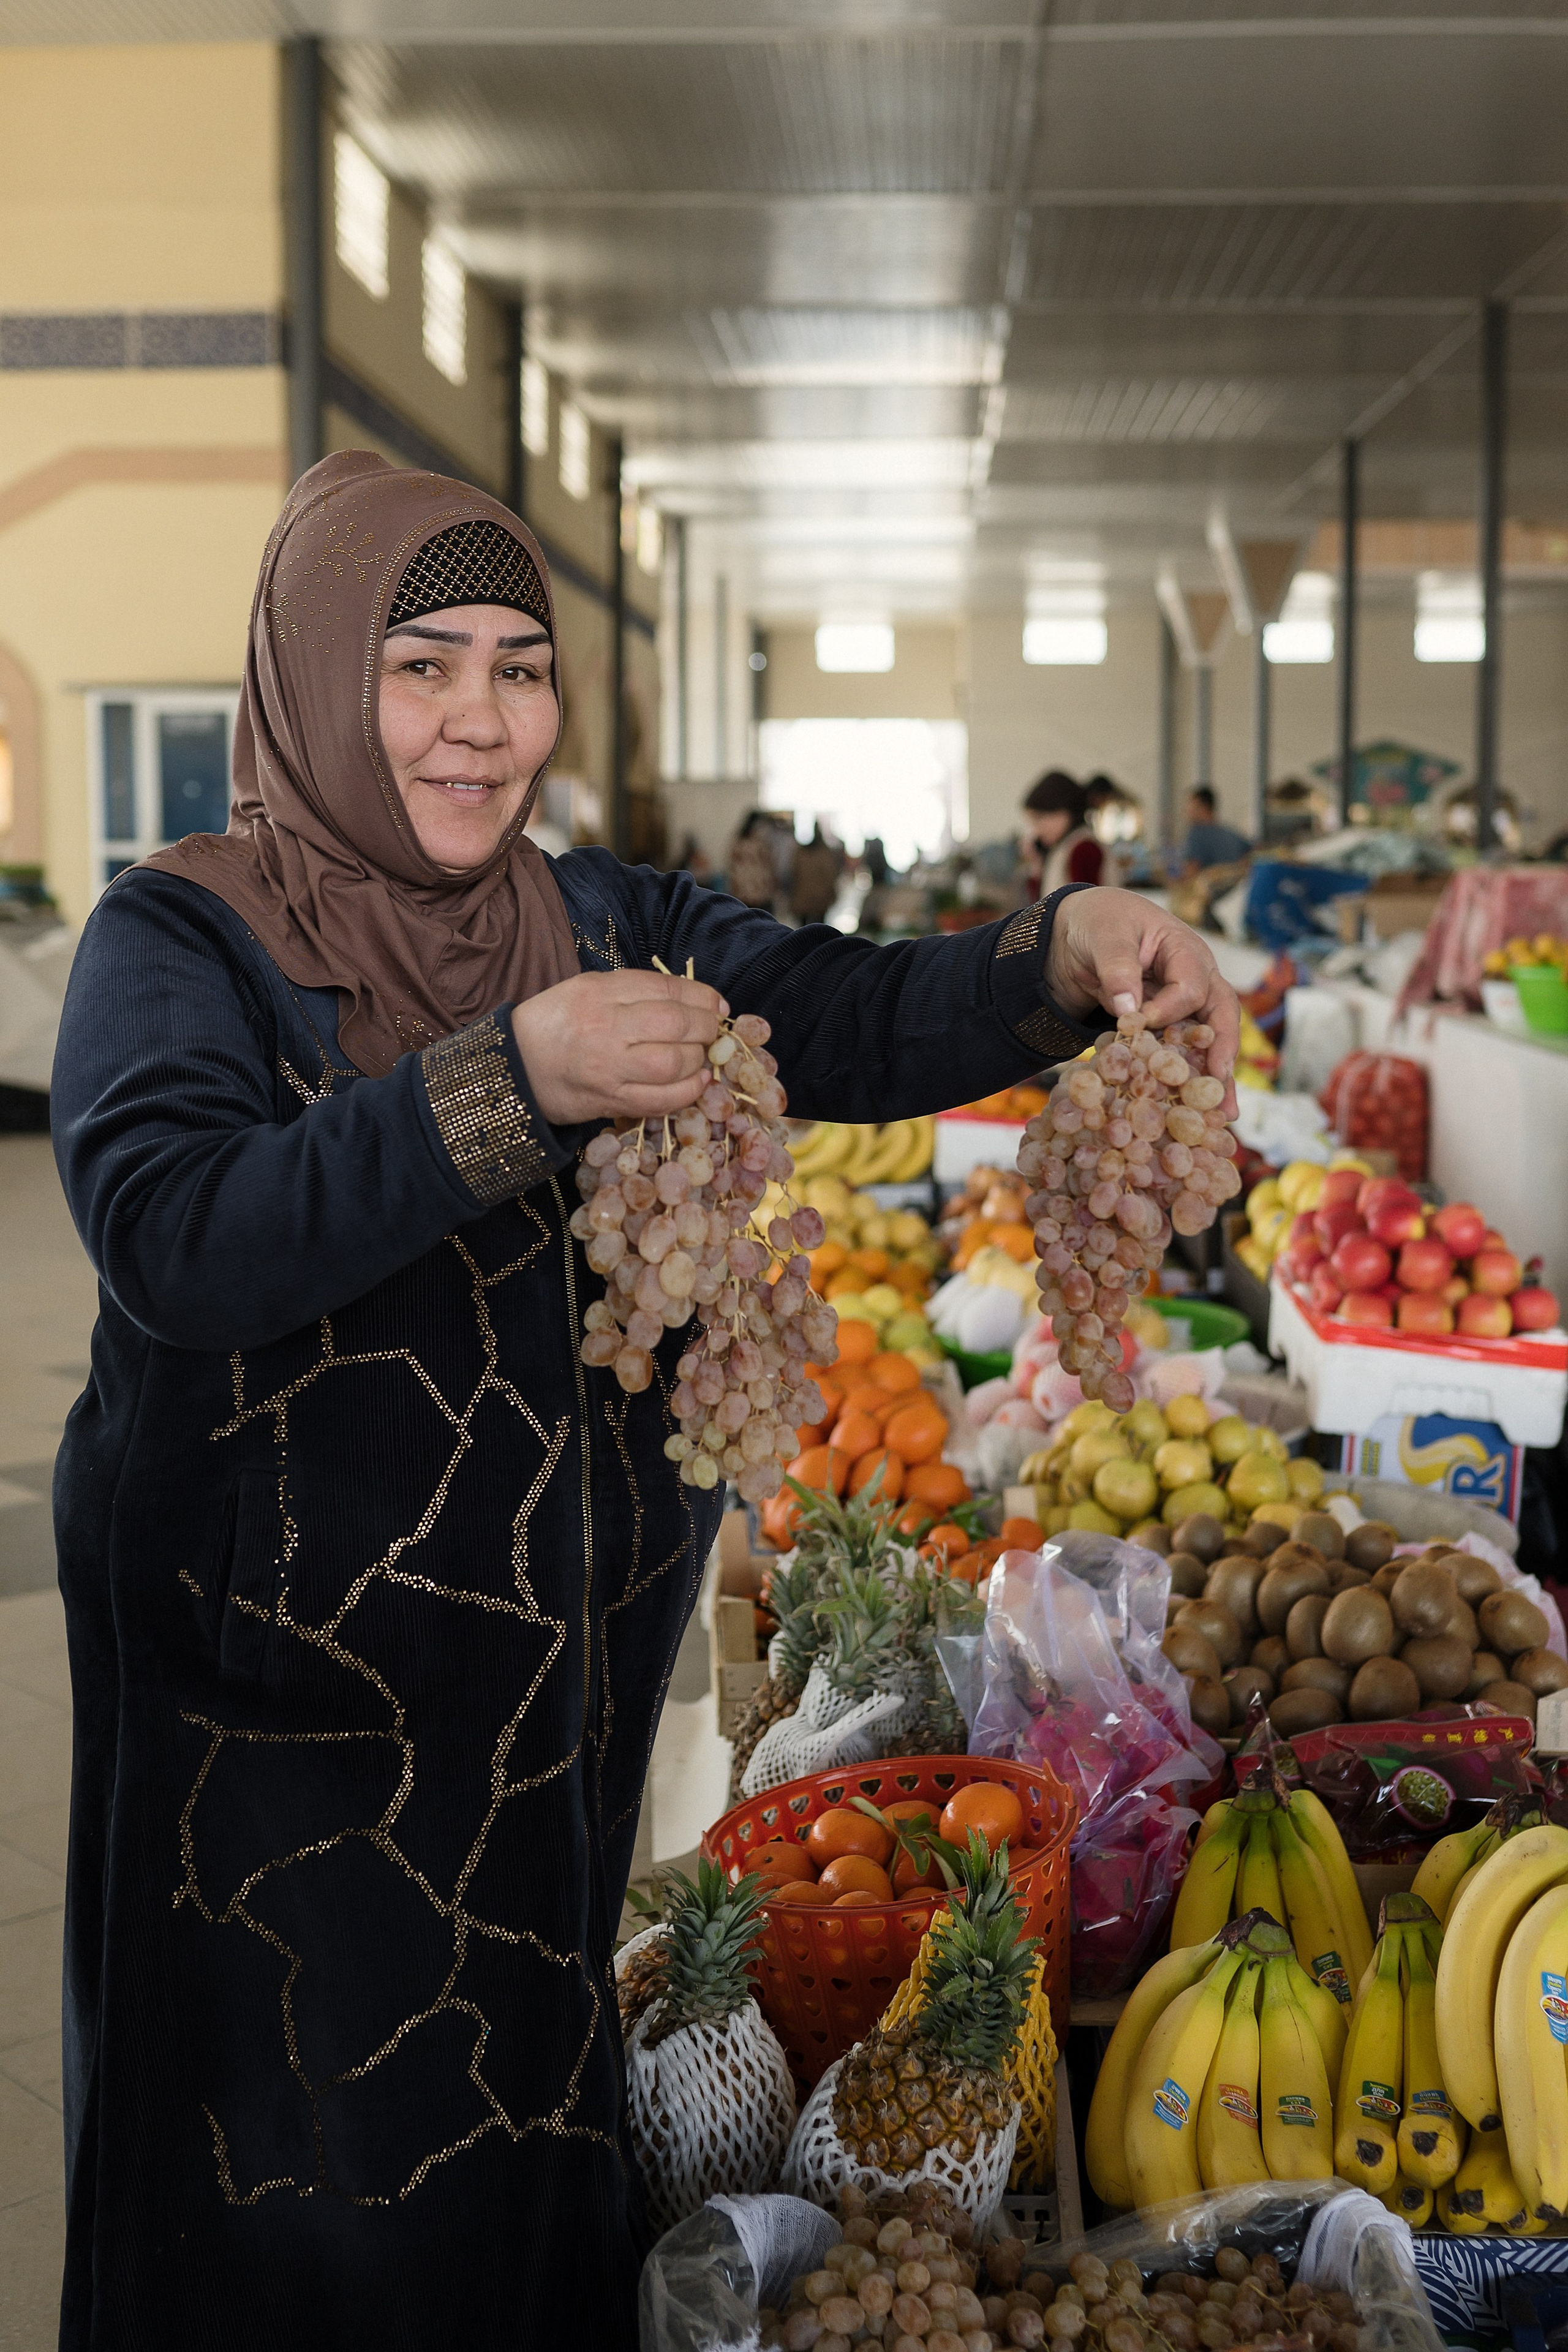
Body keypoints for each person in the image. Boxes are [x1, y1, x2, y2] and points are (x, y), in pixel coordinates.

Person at [48, 448, 1239, 2350]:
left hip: (535, 1722)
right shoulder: (180, 943)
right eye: (420, 665)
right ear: (309, 675)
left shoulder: (601, 913)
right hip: (274, 1750)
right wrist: (511, 1074)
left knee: (515, 2153)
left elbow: (842, 1009)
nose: (477, 722)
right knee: (287, 2189)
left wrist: (1062, 948)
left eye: (519, 669)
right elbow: (179, 1234)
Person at [1020, 771, 1102, 896]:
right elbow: (1042, 905)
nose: (1036, 830)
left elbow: (1086, 905)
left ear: (1063, 813)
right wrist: (1037, 864)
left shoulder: (1083, 848)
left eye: (1039, 818)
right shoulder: (1065, 847)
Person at [1180, 785, 1251, 873]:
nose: (1186, 810)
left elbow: (1191, 871)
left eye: (1189, 804)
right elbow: (1255, 853)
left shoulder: (1197, 834)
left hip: (1208, 886)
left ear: (1202, 807)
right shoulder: (1232, 834)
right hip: (1235, 886)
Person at [789, 824, 842, 925]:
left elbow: (793, 874)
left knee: (804, 930)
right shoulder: (824, 854)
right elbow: (830, 875)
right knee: (819, 930)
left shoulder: (801, 854)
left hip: (806, 897)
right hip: (819, 898)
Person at [725, 808, 777, 908]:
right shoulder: (740, 843)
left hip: (760, 891)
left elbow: (769, 866)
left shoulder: (762, 843)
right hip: (744, 890)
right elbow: (733, 866)